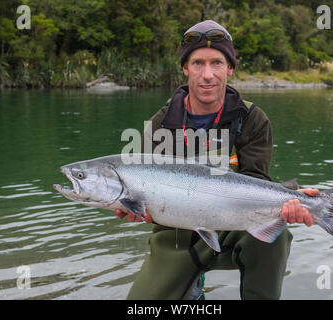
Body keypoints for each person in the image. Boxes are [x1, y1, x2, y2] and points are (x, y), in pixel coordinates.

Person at [115, 20, 319, 300]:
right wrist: (134, 209)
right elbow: (146, 200)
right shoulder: (159, 125)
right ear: (185, 68)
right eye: (198, 63)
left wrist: (288, 201)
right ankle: (190, 288)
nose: (207, 74)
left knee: (277, 237)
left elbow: (257, 184)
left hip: (232, 227)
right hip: (175, 234)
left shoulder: (253, 119)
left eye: (217, 63)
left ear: (230, 69)